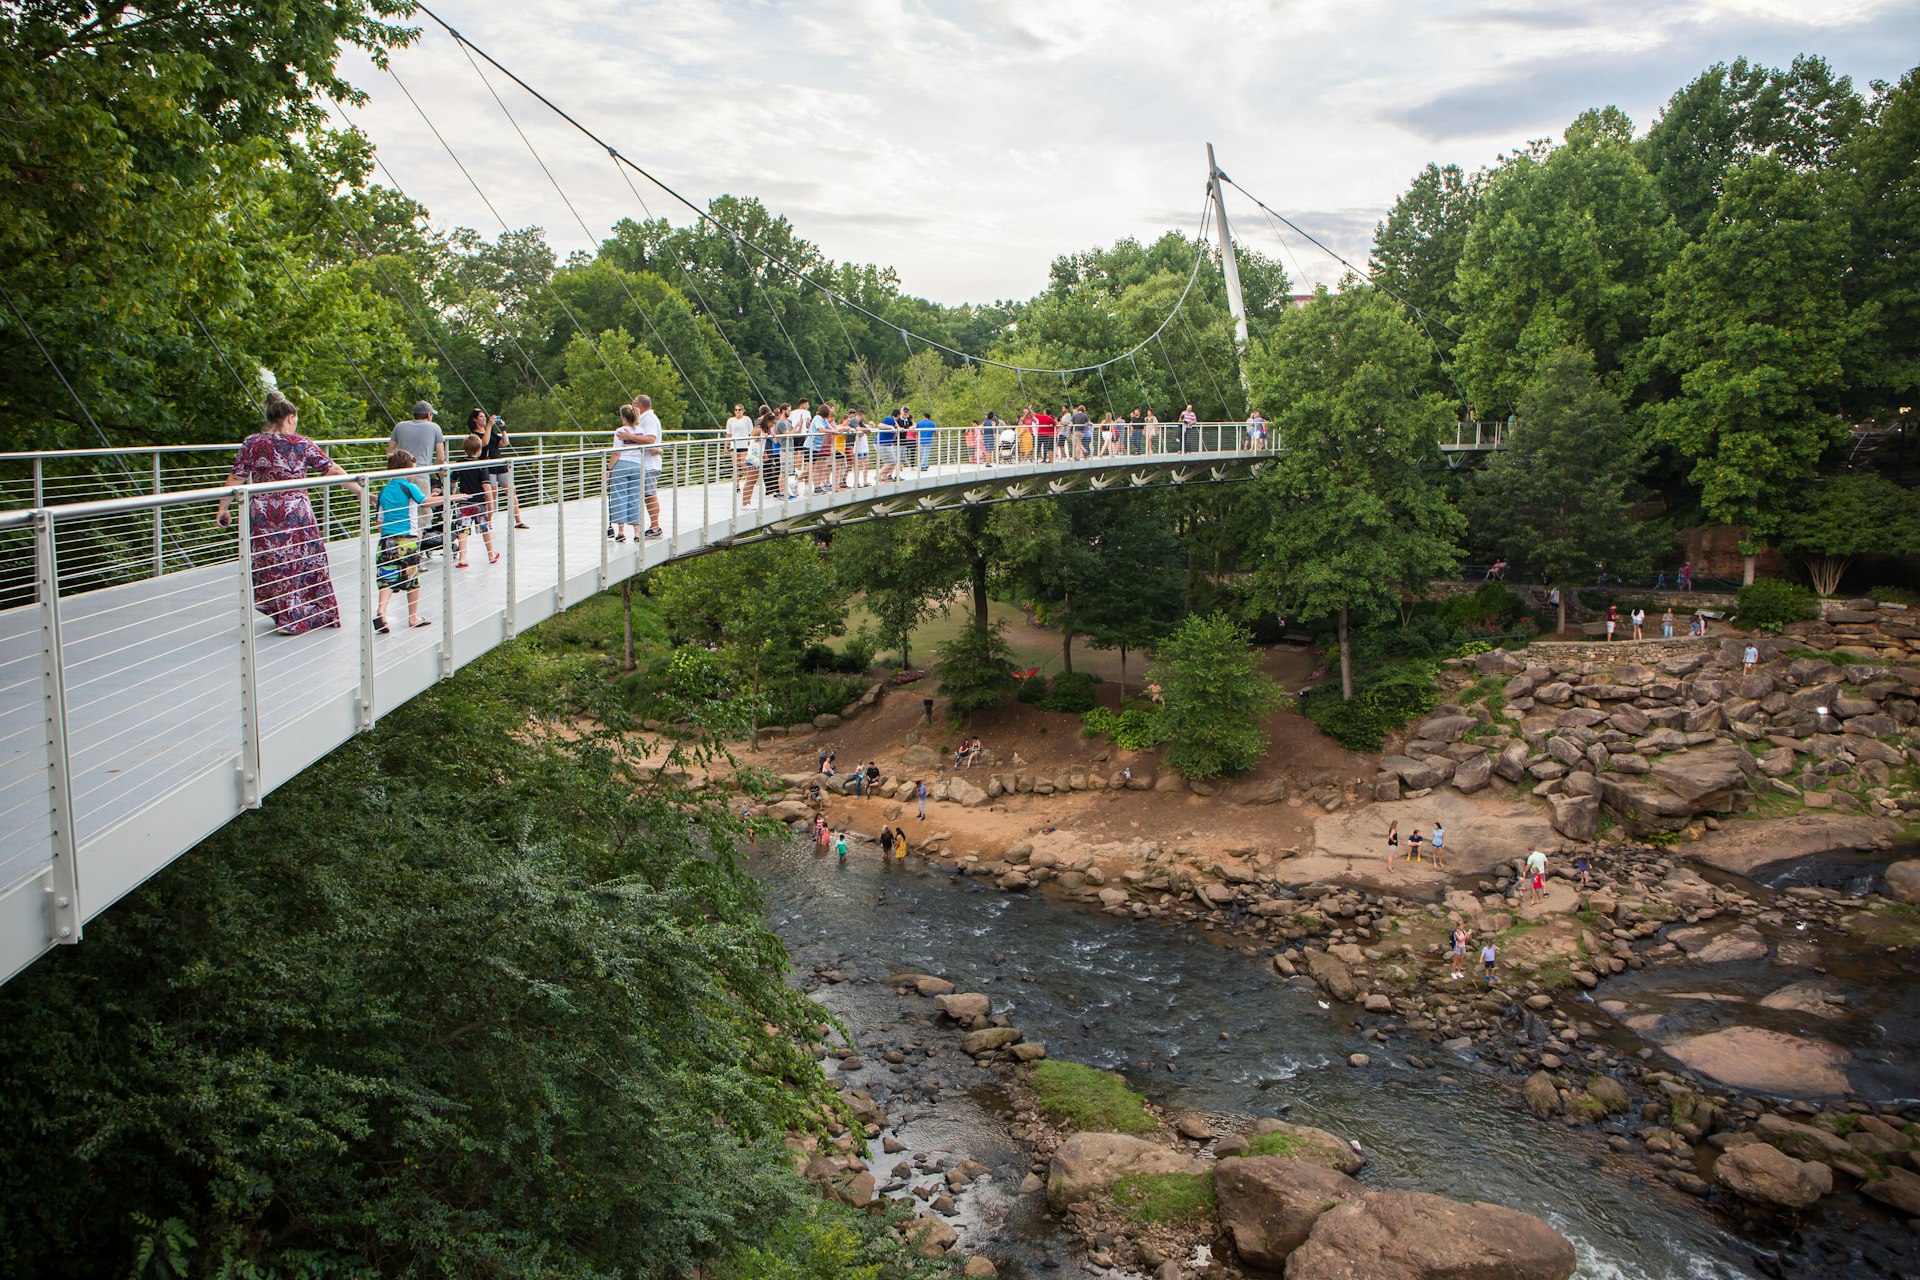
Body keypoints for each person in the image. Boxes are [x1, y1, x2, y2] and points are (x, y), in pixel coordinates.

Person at [215, 391, 363, 635]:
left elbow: (236, 477)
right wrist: (360, 492)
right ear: (290, 417)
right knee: (299, 562)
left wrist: (223, 507)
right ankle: (296, 616)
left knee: (272, 562)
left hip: (262, 512)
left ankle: (284, 613)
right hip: (295, 511)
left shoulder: (252, 442)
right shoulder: (301, 443)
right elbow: (332, 470)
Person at [371, 448, 447, 633]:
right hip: (408, 540)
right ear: (404, 470)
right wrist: (450, 497)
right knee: (412, 580)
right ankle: (413, 617)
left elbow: (379, 521)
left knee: (387, 579)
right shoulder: (409, 487)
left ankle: (382, 610)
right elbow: (425, 503)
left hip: (386, 541)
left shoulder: (384, 490)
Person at [452, 432, 499, 568]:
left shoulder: (459, 463)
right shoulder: (481, 465)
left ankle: (462, 557)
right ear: (479, 450)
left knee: (463, 530)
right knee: (485, 529)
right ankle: (491, 554)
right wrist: (491, 505)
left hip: (464, 502)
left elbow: (452, 480)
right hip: (479, 503)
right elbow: (486, 485)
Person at [607, 404, 648, 542]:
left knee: (620, 496)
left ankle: (621, 531)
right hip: (638, 465)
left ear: (623, 417)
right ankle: (637, 532)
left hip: (622, 465)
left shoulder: (620, 430)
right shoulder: (641, 431)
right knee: (635, 497)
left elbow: (617, 453)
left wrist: (609, 468)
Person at [630, 393, 665, 537]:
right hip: (649, 463)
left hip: (650, 464)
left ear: (639, 406)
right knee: (648, 495)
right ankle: (654, 526)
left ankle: (655, 527)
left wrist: (630, 437)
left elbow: (651, 439)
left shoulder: (648, 419)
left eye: (633, 405)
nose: (632, 408)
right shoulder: (648, 418)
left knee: (650, 495)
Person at [391, 400, 447, 470]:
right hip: (422, 472)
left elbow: (389, 453)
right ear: (429, 415)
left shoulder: (399, 426)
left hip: (400, 473)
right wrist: (431, 471)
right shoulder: (435, 428)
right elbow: (440, 458)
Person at [725, 403, 753, 495]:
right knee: (735, 466)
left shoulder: (746, 419)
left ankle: (748, 483)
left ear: (743, 411)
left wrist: (750, 443)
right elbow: (728, 434)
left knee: (744, 465)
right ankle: (736, 485)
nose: (737, 411)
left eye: (739, 410)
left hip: (744, 445)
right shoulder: (730, 420)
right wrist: (726, 446)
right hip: (734, 445)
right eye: (736, 410)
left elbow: (751, 432)